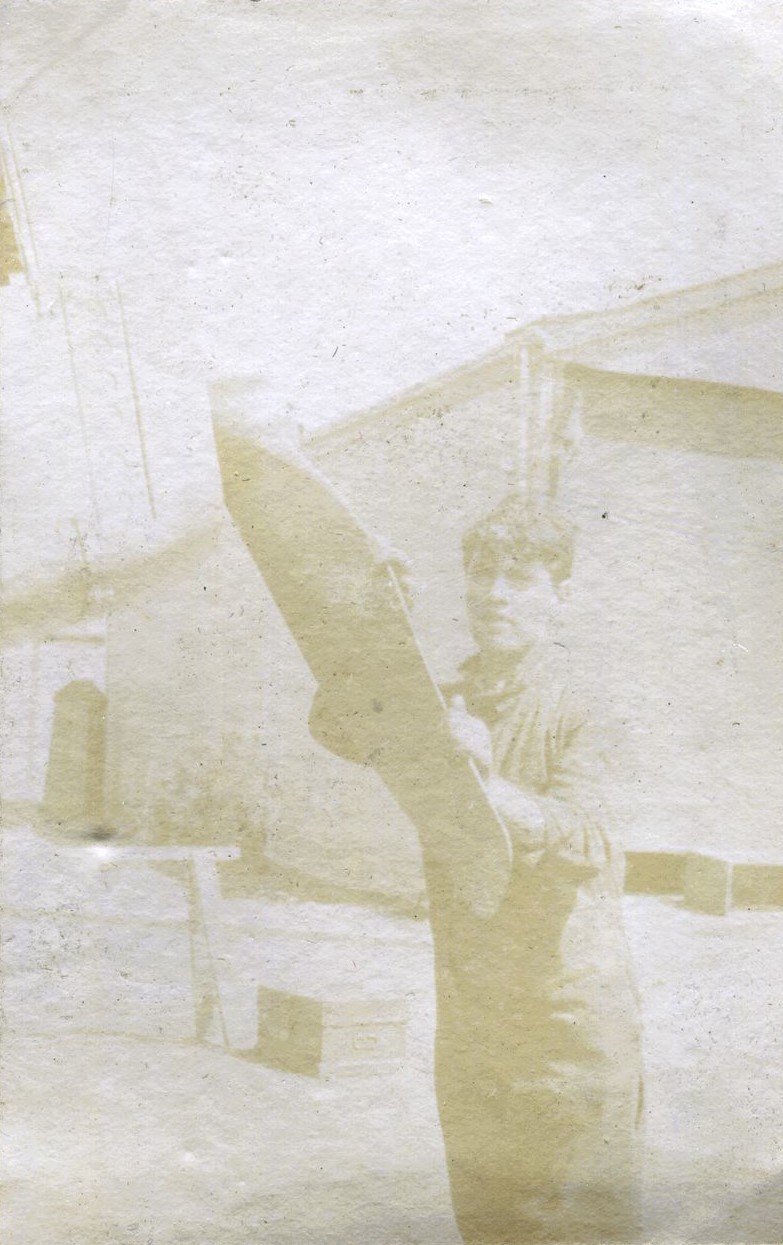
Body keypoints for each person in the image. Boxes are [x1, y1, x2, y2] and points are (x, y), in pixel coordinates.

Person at [430, 495, 644, 1244]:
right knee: (487, 1221)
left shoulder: (588, 702)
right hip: (471, 1014)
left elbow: (585, 841)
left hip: (562, 1024)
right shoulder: (449, 699)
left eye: (517, 577)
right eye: (479, 574)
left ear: (560, 596)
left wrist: (482, 785)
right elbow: (337, 717)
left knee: (570, 1225)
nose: (491, 594)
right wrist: (363, 620)